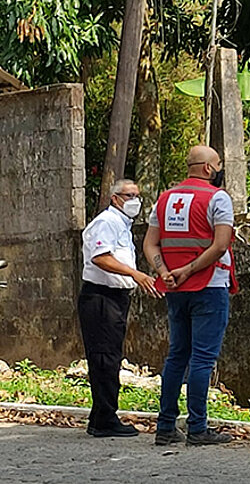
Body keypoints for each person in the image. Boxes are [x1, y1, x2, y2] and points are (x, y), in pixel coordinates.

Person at [143, 145, 238, 446]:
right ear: (209, 169)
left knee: (176, 356)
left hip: (174, 288)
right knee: (202, 359)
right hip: (208, 285)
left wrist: (164, 271)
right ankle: (198, 427)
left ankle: (166, 426)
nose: (220, 167)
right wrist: (189, 269)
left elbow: (150, 244)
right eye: (218, 163)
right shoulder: (217, 198)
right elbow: (221, 245)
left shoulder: (165, 199)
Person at [78, 179, 162, 438]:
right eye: (129, 195)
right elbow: (101, 258)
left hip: (115, 297)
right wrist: (136, 274)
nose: (134, 200)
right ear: (115, 198)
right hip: (101, 297)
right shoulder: (107, 222)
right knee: (105, 358)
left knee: (109, 356)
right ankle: (104, 418)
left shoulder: (122, 225)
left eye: (137, 195)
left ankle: (100, 416)